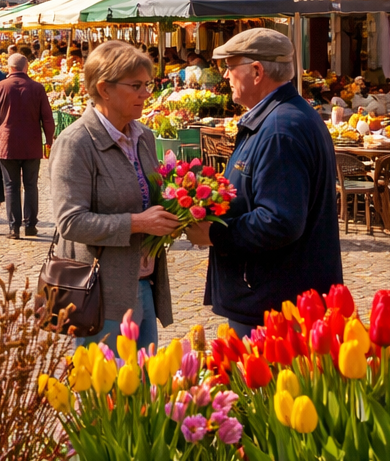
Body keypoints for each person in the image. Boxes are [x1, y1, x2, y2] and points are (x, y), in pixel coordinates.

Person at [185, 28, 342, 336]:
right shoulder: (280, 118)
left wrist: (215, 233)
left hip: (273, 301)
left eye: (230, 67)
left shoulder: (280, 129)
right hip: (272, 294)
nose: (226, 76)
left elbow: (279, 220)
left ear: (256, 71)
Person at [50, 40, 178, 350]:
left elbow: (150, 198)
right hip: (100, 292)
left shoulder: (143, 136)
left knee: (144, 387)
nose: (146, 93)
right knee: (104, 390)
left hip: (144, 281)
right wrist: (137, 223)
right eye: (136, 85)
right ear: (105, 88)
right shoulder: (77, 142)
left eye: (147, 85)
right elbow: (70, 222)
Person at [0, 53, 57, 239]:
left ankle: (14, 228)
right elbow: (47, 118)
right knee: (31, 185)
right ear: (26, 68)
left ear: (9, 68)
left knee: (11, 186)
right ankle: (31, 225)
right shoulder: (37, 88)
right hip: (31, 144)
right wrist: (48, 140)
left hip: (6, 144)